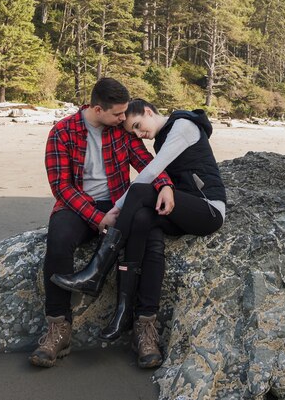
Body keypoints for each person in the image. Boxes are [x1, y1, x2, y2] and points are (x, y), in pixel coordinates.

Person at [52, 99, 226, 368]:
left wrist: (114, 212)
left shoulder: (183, 126)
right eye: (133, 132)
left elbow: (150, 173)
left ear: (148, 112)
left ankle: (98, 268)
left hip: (207, 210)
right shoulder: (162, 138)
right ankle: (127, 313)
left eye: (137, 126)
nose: (138, 134)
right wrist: (165, 188)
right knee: (143, 220)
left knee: (138, 192)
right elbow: (163, 176)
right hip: (179, 206)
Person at [29, 79, 174, 368]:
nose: (124, 119)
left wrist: (165, 185)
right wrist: (97, 218)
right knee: (58, 240)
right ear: (97, 109)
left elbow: (145, 163)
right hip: (78, 205)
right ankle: (59, 328)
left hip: (120, 204)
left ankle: (144, 327)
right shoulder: (62, 132)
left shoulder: (120, 132)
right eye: (118, 114)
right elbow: (61, 186)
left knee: (152, 241)